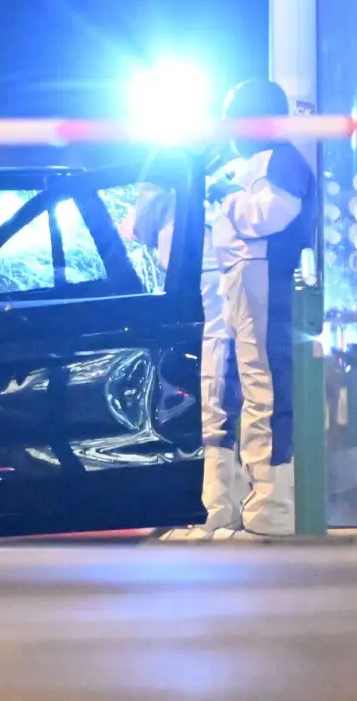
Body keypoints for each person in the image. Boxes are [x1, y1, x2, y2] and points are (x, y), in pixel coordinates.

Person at [210, 79, 317, 538]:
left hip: (267, 288)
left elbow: (271, 213)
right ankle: (257, 501)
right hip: (249, 287)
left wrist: (227, 201)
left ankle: (273, 507)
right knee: (250, 389)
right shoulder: (264, 159)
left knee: (267, 393)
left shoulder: (281, 159)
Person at [129, 144, 247, 542]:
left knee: (223, 411)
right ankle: (220, 508)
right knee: (220, 411)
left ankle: (219, 510)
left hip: (218, 317)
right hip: (208, 318)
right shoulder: (180, 188)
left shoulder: (216, 180)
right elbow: (140, 228)